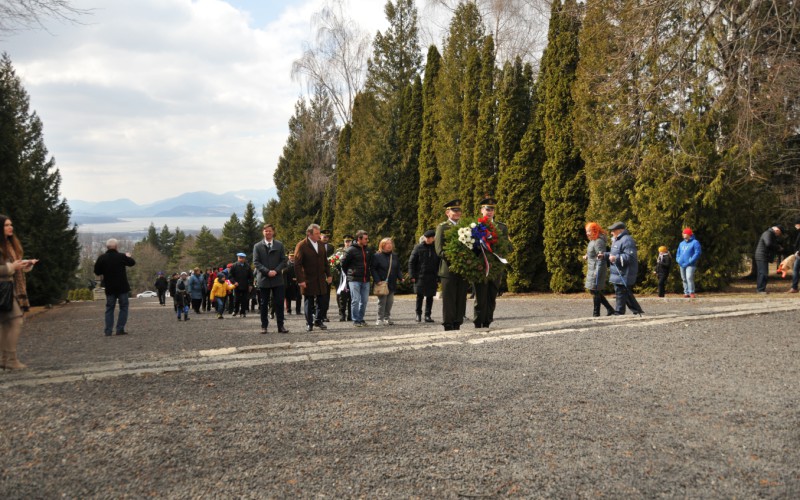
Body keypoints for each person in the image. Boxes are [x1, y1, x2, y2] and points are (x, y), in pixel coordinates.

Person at [0, 214, 37, 370]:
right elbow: (8, 268)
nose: (11, 227)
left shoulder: (9, 245)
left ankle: (4, 359)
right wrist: (12, 268)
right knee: (16, 321)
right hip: (3, 289)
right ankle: (11, 359)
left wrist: (25, 264)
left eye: (11, 224)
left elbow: (14, 265)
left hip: (9, 288)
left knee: (5, 324)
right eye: (7, 225)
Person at [472, 197, 509, 329]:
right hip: (481, 266)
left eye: (492, 209)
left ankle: (487, 320)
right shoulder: (475, 226)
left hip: (495, 267)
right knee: (480, 296)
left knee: (492, 295)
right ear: (482, 210)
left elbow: (506, 246)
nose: (489, 212)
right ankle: (478, 321)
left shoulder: (501, 227)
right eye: (487, 209)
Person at [435, 199, 468, 331]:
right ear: (447, 212)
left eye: (459, 210)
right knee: (449, 299)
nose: (457, 212)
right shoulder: (442, 227)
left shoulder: (465, 227)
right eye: (454, 210)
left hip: (463, 269)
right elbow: (439, 250)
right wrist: (455, 258)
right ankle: (448, 323)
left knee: (461, 298)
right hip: (448, 269)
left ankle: (458, 322)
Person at [294, 224, 332, 332]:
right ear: (309, 234)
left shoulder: (320, 244)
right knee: (309, 301)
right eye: (316, 234)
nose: (319, 236)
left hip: (320, 278)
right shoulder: (301, 245)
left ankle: (318, 320)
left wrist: (328, 274)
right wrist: (301, 280)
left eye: (319, 233)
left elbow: (325, 261)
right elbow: (297, 264)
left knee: (322, 300)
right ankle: (309, 323)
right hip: (308, 279)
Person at [93, 238, 136, 336]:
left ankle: (108, 330)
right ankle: (120, 329)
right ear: (116, 247)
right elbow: (132, 263)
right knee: (124, 307)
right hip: (122, 287)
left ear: (106, 247)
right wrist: (128, 256)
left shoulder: (102, 258)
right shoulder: (121, 256)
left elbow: (97, 272)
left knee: (109, 308)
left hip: (109, 287)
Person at [600, 222, 644, 316]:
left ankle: (619, 311)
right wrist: (604, 255)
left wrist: (616, 258)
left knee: (621, 291)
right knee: (625, 292)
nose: (611, 232)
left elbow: (630, 257)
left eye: (613, 230)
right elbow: (613, 253)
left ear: (620, 230)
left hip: (624, 272)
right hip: (618, 271)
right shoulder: (617, 240)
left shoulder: (627, 240)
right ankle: (637, 310)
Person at [253, 224, 289, 334]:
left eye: (269, 231)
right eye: (265, 231)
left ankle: (281, 326)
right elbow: (256, 262)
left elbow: (283, 260)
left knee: (278, 302)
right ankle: (264, 326)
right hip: (264, 279)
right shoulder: (257, 246)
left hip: (277, 279)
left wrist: (275, 271)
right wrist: (267, 271)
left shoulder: (279, 245)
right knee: (263, 304)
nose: (268, 233)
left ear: (273, 232)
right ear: (263, 232)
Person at [583, 222, 615, 316]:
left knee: (595, 290)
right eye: (586, 231)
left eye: (589, 231)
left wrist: (597, 271)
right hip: (592, 267)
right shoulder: (592, 240)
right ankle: (610, 309)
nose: (587, 233)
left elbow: (600, 257)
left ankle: (596, 313)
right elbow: (593, 253)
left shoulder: (598, 241)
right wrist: (587, 256)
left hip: (597, 268)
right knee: (594, 290)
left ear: (594, 230)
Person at [341, 230, 372, 327]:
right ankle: (355, 320)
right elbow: (343, 264)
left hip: (365, 279)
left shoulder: (368, 250)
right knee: (355, 300)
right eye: (365, 239)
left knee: (364, 300)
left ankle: (361, 319)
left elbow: (370, 263)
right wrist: (350, 273)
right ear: (359, 239)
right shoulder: (350, 250)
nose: (367, 240)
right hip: (354, 279)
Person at [409, 229, 439, 323]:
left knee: (430, 296)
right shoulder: (418, 247)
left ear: (433, 238)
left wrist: (438, 276)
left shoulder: (436, 248)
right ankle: (418, 314)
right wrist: (412, 275)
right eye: (426, 237)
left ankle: (427, 315)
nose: (427, 239)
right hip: (420, 276)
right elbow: (411, 262)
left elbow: (439, 263)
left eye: (429, 238)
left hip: (432, 276)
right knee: (420, 296)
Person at [371, 237, 401, 326]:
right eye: (387, 244)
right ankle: (379, 319)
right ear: (382, 245)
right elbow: (373, 269)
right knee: (382, 302)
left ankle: (387, 318)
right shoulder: (377, 256)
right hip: (382, 283)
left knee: (390, 302)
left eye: (390, 243)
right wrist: (377, 280)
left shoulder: (394, 256)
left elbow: (398, 268)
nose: (389, 245)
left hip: (392, 282)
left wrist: (400, 277)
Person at [754, 224, 784, 293]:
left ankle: (760, 289)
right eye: (779, 233)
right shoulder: (768, 233)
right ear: (777, 230)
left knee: (762, 273)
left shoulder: (769, 233)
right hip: (761, 255)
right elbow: (768, 244)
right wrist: (778, 247)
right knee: (763, 273)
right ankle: (760, 289)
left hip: (762, 255)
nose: (779, 235)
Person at [676, 228, 702, 298]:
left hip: (691, 264)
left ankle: (691, 292)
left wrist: (691, 260)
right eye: (683, 233)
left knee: (689, 277)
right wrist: (678, 260)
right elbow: (678, 253)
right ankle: (686, 292)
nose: (683, 234)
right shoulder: (681, 243)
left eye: (685, 233)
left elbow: (698, 252)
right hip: (681, 264)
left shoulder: (695, 242)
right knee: (684, 279)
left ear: (689, 234)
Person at [335, 235, 353, 321]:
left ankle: (350, 315)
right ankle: (342, 314)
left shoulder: (354, 250)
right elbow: (335, 263)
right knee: (342, 297)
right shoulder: (339, 252)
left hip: (352, 276)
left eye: (349, 241)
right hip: (342, 277)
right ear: (344, 242)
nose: (348, 243)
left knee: (352, 296)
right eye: (346, 241)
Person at [228, 253, 253, 318]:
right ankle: (235, 311)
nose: (241, 259)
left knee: (244, 300)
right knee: (236, 299)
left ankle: (243, 312)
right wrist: (234, 282)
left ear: (244, 258)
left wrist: (250, 285)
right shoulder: (234, 266)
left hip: (245, 285)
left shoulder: (247, 266)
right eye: (240, 258)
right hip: (237, 286)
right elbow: (230, 276)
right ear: (238, 258)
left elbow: (251, 277)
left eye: (242, 258)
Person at [319, 229, 335, 322]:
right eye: (324, 236)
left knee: (326, 295)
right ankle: (316, 314)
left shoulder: (331, 247)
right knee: (317, 295)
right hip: (317, 274)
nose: (326, 238)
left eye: (327, 237)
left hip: (327, 273)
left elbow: (332, 260)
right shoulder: (315, 245)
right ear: (320, 236)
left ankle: (324, 314)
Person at [789, 217, 800, 293]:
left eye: (796, 224)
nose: (795, 226)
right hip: (798, 255)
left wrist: (798, 252)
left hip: (799, 254)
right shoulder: (799, 232)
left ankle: (794, 287)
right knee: (795, 270)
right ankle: (794, 287)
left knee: (795, 270)